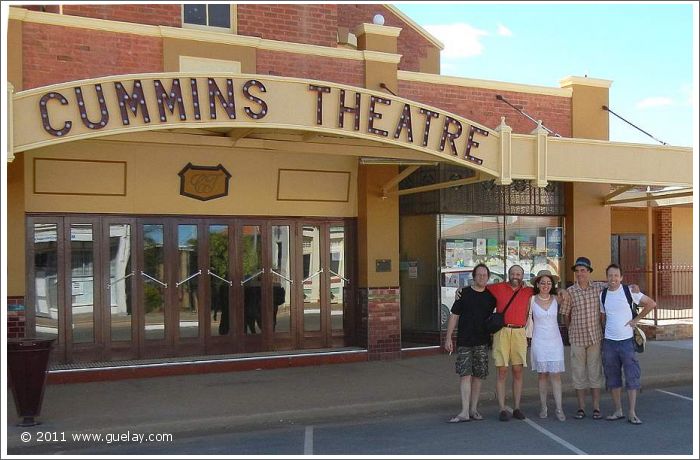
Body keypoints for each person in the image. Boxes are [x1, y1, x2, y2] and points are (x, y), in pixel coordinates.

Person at [559, 256, 640, 420]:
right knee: (578, 374)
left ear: (589, 272)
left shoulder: (598, 288)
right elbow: (564, 316)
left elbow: (614, 284)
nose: (580, 273)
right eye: (577, 271)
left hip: (596, 338)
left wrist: (632, 286)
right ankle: (581, 408)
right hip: (577, 339)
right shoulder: (570, 292)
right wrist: (571, 329)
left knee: (595, 374)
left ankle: (596, 407)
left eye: (583, 270)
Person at [600, 264, 656, 425]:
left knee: (632, 376)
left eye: (616, 275)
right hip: (609, 342)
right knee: (613, 378)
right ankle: (618, 410)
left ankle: (632, 412)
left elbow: (651, 303)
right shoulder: (602, 295)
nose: (613, 278)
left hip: (626, 342)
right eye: (610, 275)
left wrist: (636, 320)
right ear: (607, 277)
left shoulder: (629, 291)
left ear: (621, 277)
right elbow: (602, 317)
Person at [444, 263, 496, 423]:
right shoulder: (464, 293)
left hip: (482, 341)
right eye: (479, 275)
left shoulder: (491, 297)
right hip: (464, 341)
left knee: (478, 376)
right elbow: (454, 315)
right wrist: (448, 337)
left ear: (488, 277)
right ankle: (464, 411)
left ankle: (473, 409)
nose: (482, 277)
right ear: (473, 277)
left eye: (485, 275)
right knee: (465, 375)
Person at [488, 265, 533, 421]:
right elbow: (479, 287)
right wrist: (462, 290)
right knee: (502, 370)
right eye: (513, 273)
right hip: (502, 332)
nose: (516, 276)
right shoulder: (499, 287)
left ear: (523, 276)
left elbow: (548, 289)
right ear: (508, 275)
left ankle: (517, 407)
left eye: (519, 274)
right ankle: (502, 408)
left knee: (518, 370)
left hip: (520, 332)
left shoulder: (528, 290)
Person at [526, 270, 566, 421]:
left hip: (555, 341)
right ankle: (543, 407)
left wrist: (562, 290)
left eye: (549, 283)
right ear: (537, 284)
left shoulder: (557, 298)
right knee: (542, 375)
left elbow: (569, 295)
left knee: (556, 375)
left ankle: (559, 408)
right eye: (542, 283)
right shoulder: (531, 299)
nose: (545, 285)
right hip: (539, 340)